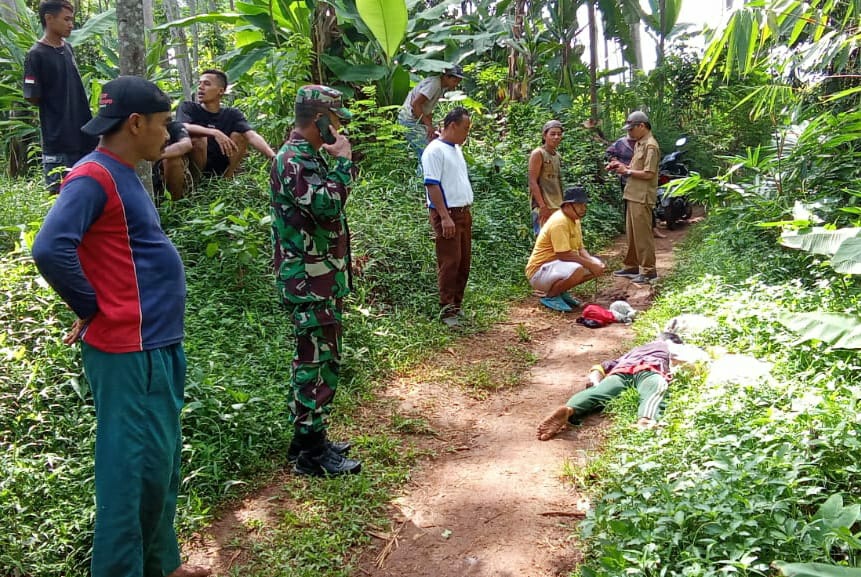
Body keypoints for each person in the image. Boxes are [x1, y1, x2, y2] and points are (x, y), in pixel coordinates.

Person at [30, 76, 210, 577]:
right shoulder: (94, 176)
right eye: (162, 123)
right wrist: (91, 306)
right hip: (129, 351)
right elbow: (50, 247)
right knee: (130, 471)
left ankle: (159, 563)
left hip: (154, 345)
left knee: (158, 465)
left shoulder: (124, 170)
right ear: (135, 123)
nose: (168, 132)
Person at [270, 85, 361, 477]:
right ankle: (311, 451)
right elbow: (326, 205)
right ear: (320, 119)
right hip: (309, 281)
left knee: (318, 358)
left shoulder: (307, 156)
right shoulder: (292, 159)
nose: (340, 131)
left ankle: (305, 438)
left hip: (321, 277)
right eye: (337, 120)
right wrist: (345, 163)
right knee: (316, 361)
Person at [536, 331, 683, 440]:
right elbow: (685, 360)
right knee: (654, 392)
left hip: (620, 371)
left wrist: (596, 383)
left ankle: (570, 409)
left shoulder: (634, 351)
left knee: (596, 393)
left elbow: (599, 367)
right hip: (650, 369)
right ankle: (646, 419)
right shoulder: (669, 347)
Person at [23, 0, 98, 193]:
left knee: (88, 193)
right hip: (58, 141)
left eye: (71, 19)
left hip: (83, 137)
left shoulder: (68, 48)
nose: (71, 24)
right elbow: (32, 96)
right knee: (60, 197)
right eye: (66, 19)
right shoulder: (36, 54)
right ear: (49, 18)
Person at [166, 69, 275, 198]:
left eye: (207, 84)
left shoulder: (232, 114)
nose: (200, 87)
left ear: (221, 91)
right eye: (199, 83)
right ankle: (196, 188)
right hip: (194, 166)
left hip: (221, 166)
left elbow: (251, 135)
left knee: (240, 135)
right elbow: (181, 125)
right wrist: (213, 132)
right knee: (199, 139)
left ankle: (225, 183)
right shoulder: (188, 107)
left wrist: (274, 157)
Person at [422, 107, 474, 328]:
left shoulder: (456, 149)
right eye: (465, 128)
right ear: (452, 126)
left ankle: (457, 306)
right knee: (450, 262)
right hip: (448, 213)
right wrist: (444, 216)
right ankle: (446, 309)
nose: (467, 133)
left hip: (463, 213)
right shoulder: (434, 151)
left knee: (463, 262)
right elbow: (432, 184)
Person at [525, 186, 606, 312]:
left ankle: (560, 291)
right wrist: (590, 264)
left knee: (597, 265)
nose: (583, 208)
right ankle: (551, 296)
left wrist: (593, 263)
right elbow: (564, 255)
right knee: (578, 269)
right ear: (568, 205)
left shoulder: (575, 220)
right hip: (539, 271)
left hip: (556, 267)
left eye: (584, 205)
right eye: (580, 205)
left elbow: (580, 249)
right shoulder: (560, 221)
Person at [607, 111, 661, 284]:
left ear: (642, 126)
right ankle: (631, 265)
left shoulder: (650, 145)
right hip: (632, 193)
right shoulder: (639, 143)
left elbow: (649, 173)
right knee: (631, 234)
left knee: (642, 235)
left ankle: (648, 270)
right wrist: (620, 166)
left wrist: (627, 171)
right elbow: (633, 166)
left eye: (631, 129)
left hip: (642, 195)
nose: (629, 133)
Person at [606, 133, 666, 239]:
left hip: (641, 180)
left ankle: (652, 228)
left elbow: (649, 171)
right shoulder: (621, 143)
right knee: (628, 206)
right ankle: (631, 230)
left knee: (645, 206)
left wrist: (627, 170)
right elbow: (608, 153)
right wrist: (615, 162)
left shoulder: (646, 144)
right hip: (626, 180)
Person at [398, 66, 465, 160]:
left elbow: (427, 108)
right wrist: (428, 126)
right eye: (455, 81)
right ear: (446, 77)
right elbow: (415, 104)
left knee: (432, 145)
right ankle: (423, 174)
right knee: (427, 152)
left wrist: (431, 128)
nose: (456, 84)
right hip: (409, 119)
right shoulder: (434, 85)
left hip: (416, 120)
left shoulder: (441, 87)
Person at [528, 120, 564, 234]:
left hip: (558, 205)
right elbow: (533, 181)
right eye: (552, 134)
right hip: (543, 206)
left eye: (559, 134)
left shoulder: (557, 156)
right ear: (544, 135)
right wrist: (542, 207)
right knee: (543, 242)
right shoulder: (538, 153)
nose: (556, 137)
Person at [154, 121, 193, 201]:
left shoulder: (173, 126)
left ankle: (175, 204)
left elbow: (187, 144)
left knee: (173, 161)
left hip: (167, 173)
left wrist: (156, 156)